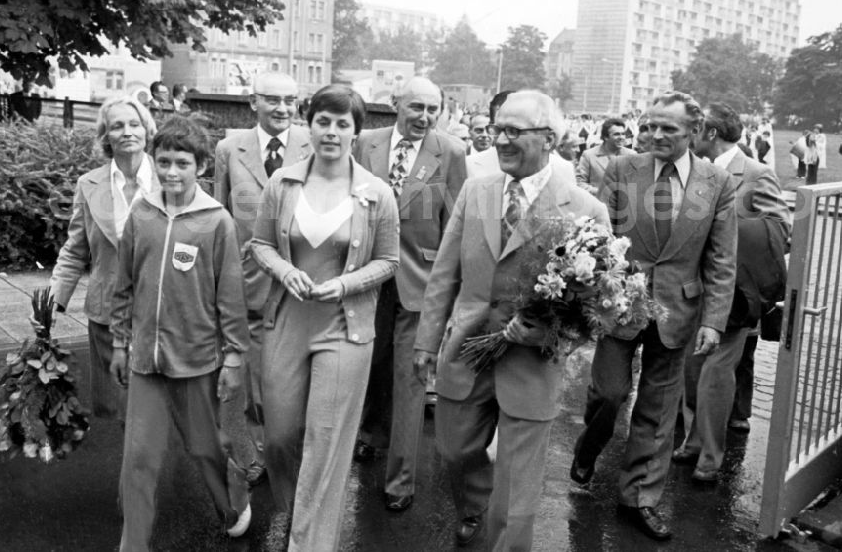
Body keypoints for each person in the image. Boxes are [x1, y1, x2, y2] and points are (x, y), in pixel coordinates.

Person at [414, 91, 609, 550]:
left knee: (517, 495)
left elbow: (600, 305)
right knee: (454, 450)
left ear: (549, 139)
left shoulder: (585, 209)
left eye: (513, 131)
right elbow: (445, 272)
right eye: (496, 128)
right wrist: (426, 342)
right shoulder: (475, 190)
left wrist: (553, 332)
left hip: (533, 362)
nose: (498, 138)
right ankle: (476, 503)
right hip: (467, 350)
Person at [570, 91, 737, 541]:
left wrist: (713, 320)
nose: (655, 135)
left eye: (669, 128)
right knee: (609, 393)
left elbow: (721, 258)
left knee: (658, 412)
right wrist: (594, 290)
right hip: (620, 304)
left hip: (679, 310)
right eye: (650, 126)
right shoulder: (624, 170)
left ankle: (639, 498)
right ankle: (589, 446)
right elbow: (597, 235)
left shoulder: (716, 183)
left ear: (695, 133)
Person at [249, 85, 400, 550]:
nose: (331, 132)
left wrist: (346, 283)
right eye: (323, 121)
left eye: (342, 123)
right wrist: (285, 269)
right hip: (287, 324)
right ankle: (299, 511)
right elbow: (259, 245)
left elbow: (389, 260)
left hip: (344, 330)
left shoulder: (377, 193)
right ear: (308, 124)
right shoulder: (282, 183)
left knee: (327, 441)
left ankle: (308, 541)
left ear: (355, 131)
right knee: (279, 437)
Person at [109, 117, 252, 550]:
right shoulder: (142, 214)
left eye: (182, 164)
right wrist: (119, 341)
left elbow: (230, 296)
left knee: (204, 448)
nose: (172, 172)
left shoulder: (216, 221)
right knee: (139, 459)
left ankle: (232, 503)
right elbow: (124, 283)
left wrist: (233, 357)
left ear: (201, 166)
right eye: (165, 161)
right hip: (145, 362)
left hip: (196, 360)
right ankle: (133, 545)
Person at [352, 76, 468, 512]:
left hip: (420, 281)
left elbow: (457, 224)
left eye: (433, 109)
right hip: (366, 277)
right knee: (374, 367)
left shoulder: (452, 152)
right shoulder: (365, 142)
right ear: (395, 104)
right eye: (416, 106)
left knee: (411, 380)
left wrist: (452, 289)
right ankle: (371, 435)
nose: (424, 116)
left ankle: (401, 480)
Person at [676, 103, 789, 481]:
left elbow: (779, 231)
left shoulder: (756, 173)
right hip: (692, 287)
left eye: (695, 129)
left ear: (710, 133)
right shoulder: (691, 170)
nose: (689, 135)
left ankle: (711, 454)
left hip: (735, 294)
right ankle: (693, 441)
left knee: (716, 373)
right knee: (691, 370)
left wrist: (727, 235)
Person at [213, 71, 311, 487]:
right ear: (253, 102)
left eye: (290, 100)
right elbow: (218, 215)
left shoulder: (314, 145)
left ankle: (294, 452)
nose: (282, 108)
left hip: (298, 283)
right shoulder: (229, 148)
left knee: (292, 378)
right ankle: (260, 455)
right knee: (253, 383)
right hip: (248, 282)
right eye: (272, 99)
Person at [47, 96, 158, 420]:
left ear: (147, 130)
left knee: (158, 410)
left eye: (134, 124)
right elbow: (74, 250)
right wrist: (53, 302)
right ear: (105, 136)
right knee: (121, 408)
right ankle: (136, 468)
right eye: (117, 126)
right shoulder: (89, 184)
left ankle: (150, 468)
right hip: (109, 311)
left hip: (163, 311)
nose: (127, 132)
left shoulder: (171, 178)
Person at [467, 90, 575, 182]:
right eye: (498, 130)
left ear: (548, 140)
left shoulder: (563, 171)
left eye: (513, 131)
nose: (500, 141)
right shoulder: (472, 183)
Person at [576, 118, 634, 195]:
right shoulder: (589, 155)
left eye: (623, 134)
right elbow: (579, 183)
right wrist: (600, 192)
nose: (621, 138)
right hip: (598, 203)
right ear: (605, 137)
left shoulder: (632, 155)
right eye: (616, 134)